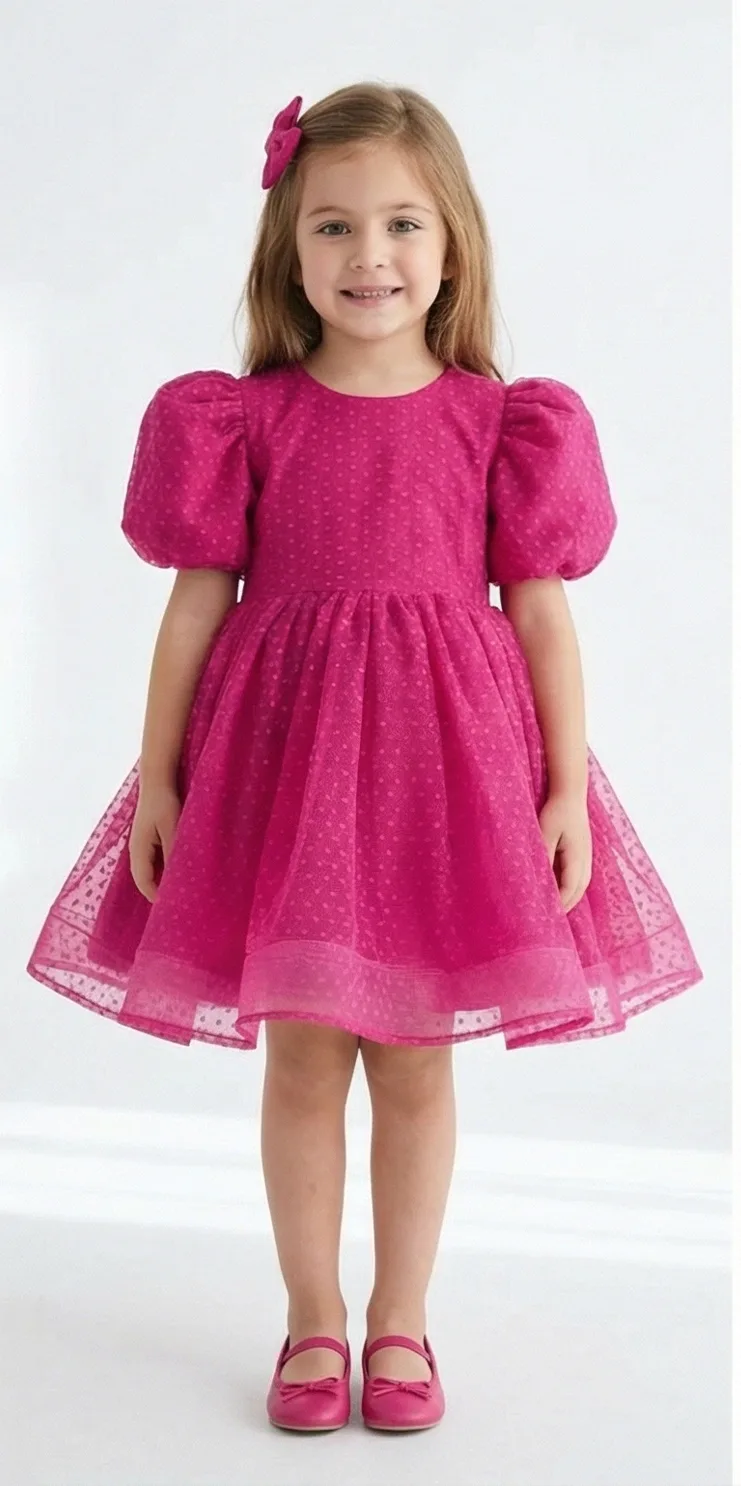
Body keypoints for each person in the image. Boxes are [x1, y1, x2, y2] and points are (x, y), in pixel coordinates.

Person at [26, 83, 703, 1434]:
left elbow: (543, 617)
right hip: (283, 779)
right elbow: (194, 611)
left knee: (413, 1062)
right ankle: (312, 1318)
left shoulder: (499, 422)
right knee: (299, 1059)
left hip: (441, 785)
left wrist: (565, 786)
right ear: (288, 246)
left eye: (402, 223)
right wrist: (159, 777)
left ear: (453, 243)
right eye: (333, 225)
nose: (369, 254)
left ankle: (401, 1318)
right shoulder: (245, 419)